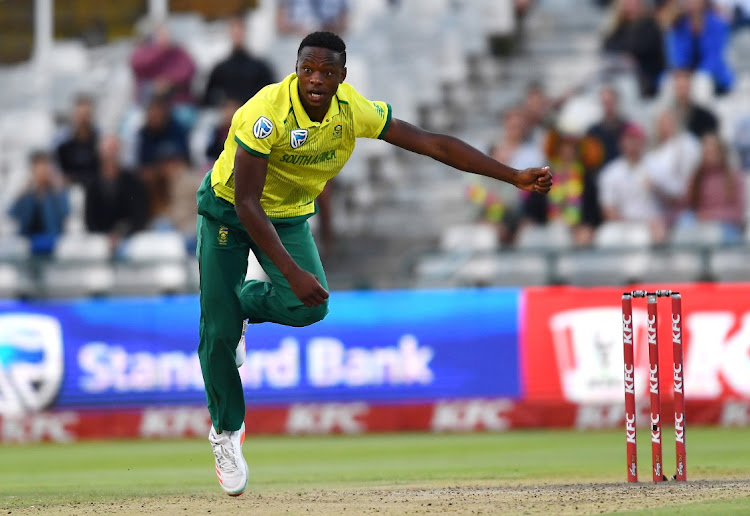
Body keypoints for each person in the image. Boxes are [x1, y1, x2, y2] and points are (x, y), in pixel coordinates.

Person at [196, 31, 552, 496]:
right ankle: (226, 431)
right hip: (229, 208)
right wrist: (291, 272)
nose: (316, 80)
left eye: (327, 72)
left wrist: (512, 176)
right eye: (307, 70)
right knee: (217, 333)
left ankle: (240, 304)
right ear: (296, 69)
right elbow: (246, 203)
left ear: (342, 77)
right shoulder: (267, 113)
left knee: (309, 307)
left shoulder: (353, 111)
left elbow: (432, 144)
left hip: (287, 215)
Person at [598, 123, 666, 241]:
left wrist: (657, 188)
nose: (632, 144)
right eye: (629, 139)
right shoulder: (611, 172)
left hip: (650, 224)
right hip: (622, 224)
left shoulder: (657, 166)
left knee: (641, 237)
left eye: (636, 139)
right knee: (606, 237)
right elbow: (608, 208)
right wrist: (626, 223)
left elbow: (674, 199)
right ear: (621, 143)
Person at [84, 136, 149, 251]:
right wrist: (106, 236)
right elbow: (90, 221)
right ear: (100, 154)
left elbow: (139, 216)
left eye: (114, 150)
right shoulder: (92, 185)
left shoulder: (133, 182)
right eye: (108, 150)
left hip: (130, 239)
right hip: (100, 241)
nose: (111, 155)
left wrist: (120, 233)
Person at [678, 133, 746, 243]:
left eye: (712, 152)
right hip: (700, 226)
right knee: (685, 223)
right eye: (706, 152)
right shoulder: (696, 178)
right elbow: (685, 207)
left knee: (712, 235)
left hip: (726, 228)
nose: (708, 155)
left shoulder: (734, 178)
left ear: (721, 153)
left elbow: (737, 213)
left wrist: (710, 215)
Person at [202, 14, 275, 107]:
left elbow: (271, 96)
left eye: (240, 29)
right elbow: (208, 97)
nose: (237, 33)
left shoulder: (260, 68)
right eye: (233, 29)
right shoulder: (220, 69)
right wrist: (224, 105)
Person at [644, 110, 701, 227]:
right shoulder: (651, 154)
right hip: (659, 209)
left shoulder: (687, 143)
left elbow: (691, 177)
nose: (664, 126)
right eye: (661, 123)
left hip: (685, 207)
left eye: (667, 122)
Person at [666, 0, 734, 95]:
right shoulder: (679, 26)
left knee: (701, 82)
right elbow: (678, 58)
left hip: (714, 76)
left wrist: (693, 76)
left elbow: (715, 58)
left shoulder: (718, 24)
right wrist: (684, 75)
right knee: (668, 82)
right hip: (688, 76)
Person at [8, 151, 70, 254]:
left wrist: (57, 192)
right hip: (27, 242)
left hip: (53, 241)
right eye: (39, 167)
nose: (43, 171)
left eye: (46, 166)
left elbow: (65, 213)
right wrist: (22, 194)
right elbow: (12, 214)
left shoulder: (57, 193)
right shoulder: (27, 194)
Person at [602, 0, 666, 98]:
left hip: (645, 80)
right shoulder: (618, 27)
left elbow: (637, 48)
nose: (631, 3)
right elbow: (607, 47)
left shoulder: (650, 24)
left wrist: (625, 53)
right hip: (619, 75)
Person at [56, 94, 100, 187]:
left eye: (87, 115)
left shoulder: (99, 143)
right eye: (81, 115)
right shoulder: (63, 144)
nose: (83, 120)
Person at [670, 68, 719, 139]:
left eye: (684, 87)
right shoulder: (668, 115)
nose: (682, 92)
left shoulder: (706, 117)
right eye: (679, 87)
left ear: (690, 87)